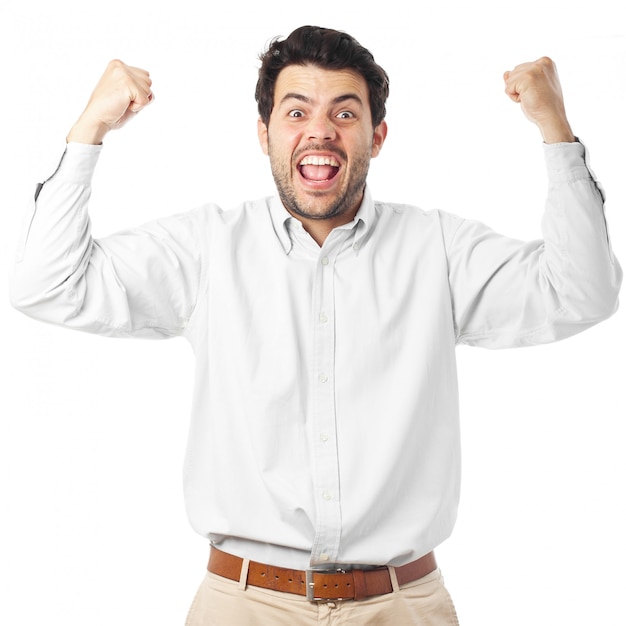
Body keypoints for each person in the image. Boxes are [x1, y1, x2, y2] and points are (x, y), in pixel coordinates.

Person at [10, 25, 622, 626]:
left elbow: (583, 292)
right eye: (296, 112)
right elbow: (47, 285)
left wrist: (555, 132)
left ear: (377, 137)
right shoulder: (207, 248)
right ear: (265, 133)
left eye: (345, 114)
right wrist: (89, 130)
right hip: (242, 606)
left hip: (403, 606)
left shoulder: (437, 248)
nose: (319, 132)